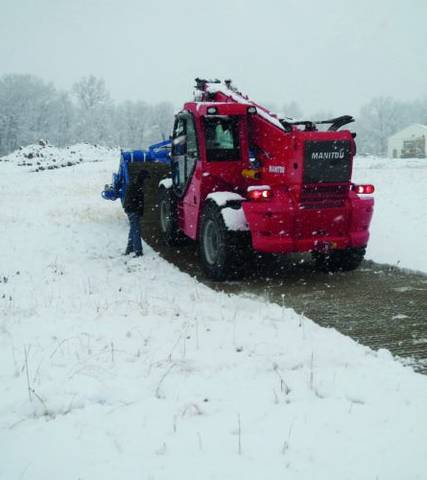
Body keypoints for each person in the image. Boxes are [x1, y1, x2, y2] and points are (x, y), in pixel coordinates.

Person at [123, 169, 150, 256]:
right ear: (143, 178)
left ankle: (129, 248)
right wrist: (138, 211)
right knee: (136, 230)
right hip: (133, 210)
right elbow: (137, 201)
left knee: (133, 229)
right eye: (146, 179)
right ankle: (138, 251)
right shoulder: (136, 186)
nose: (147, 181)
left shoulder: (135, 184)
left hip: (131, 210)